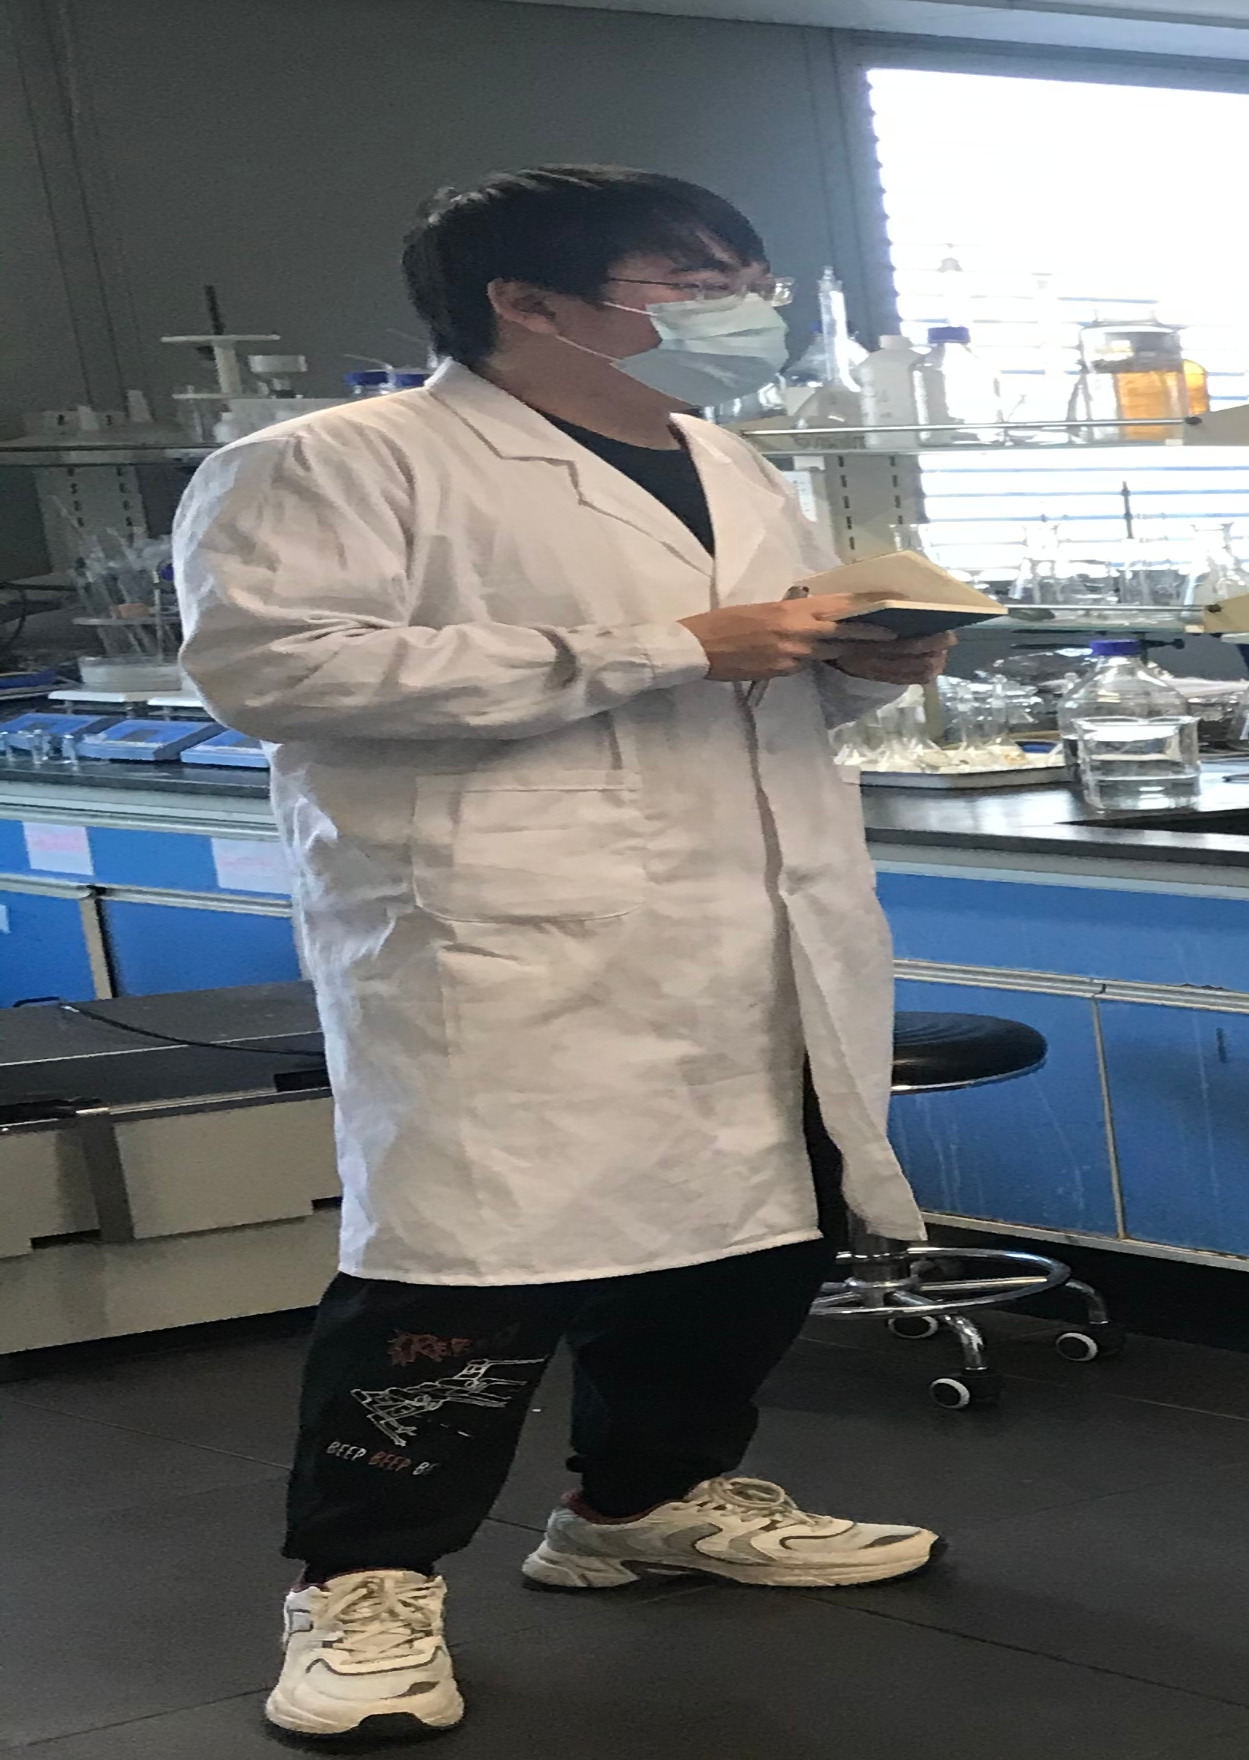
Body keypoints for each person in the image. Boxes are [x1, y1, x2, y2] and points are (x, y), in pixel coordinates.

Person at [173, 166, 954, 1743]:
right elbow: (269, 669)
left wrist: (863, 668)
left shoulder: (729, 462)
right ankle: (363, 1584)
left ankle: (640, 1506)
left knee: (754, 1233)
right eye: (693, 280)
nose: (746, 309)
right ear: (524, 300)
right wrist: (662, 649)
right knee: (468, 1268)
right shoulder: (333, 461)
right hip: (504, 942)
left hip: (755, 921)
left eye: (748, 277)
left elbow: (748, 683)